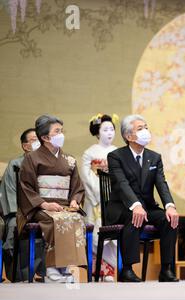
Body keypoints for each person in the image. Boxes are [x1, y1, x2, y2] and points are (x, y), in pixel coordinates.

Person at [107, 114, 179, 282]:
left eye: (146, 127)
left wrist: (170, 205)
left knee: (169, 219)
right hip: (123, 207)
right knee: (135, 216)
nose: (146, 131)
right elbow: (121, 184)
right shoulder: (116, 156)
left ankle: (167, 269)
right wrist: (135, 205)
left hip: (148, 207)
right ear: (128, 136)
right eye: (140, 129)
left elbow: (161, 183)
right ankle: (127, 270)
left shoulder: (154, 157)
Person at [17, 115, 86, 283]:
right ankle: (52, 270)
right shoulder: (31, 158)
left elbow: (77, 186)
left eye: (61, 131)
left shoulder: (69, 160)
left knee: (76, 218)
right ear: (45, 137)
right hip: (40, 207)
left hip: (63, 206)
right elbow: (25, 186)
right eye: (57, 131)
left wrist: (75, 200)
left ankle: (67, 268)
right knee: (58, 220)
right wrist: (44, 204)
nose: (61, 134)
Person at [0, 128, 46, 281]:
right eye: (34, 140)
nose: (39, 143)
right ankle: (17, 273)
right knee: (14, 227)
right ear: (25, 146)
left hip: (42, 210)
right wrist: (17, 212)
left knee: (56, 226)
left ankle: (48, 272)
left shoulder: (46, 163)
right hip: (19, 211)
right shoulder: (15, 164)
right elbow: (9, 192)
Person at [80, 114, 119, 282]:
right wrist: (98, 195)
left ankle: (109, 272)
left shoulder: (118, 152)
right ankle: (98, 271)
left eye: (112, 129)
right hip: (94, 198)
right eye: (105, 129)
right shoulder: (89, 153)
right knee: (95, 232)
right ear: (97, 132)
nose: (109, 133)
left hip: (113, 197)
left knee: (112, 236)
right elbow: (86, 176)